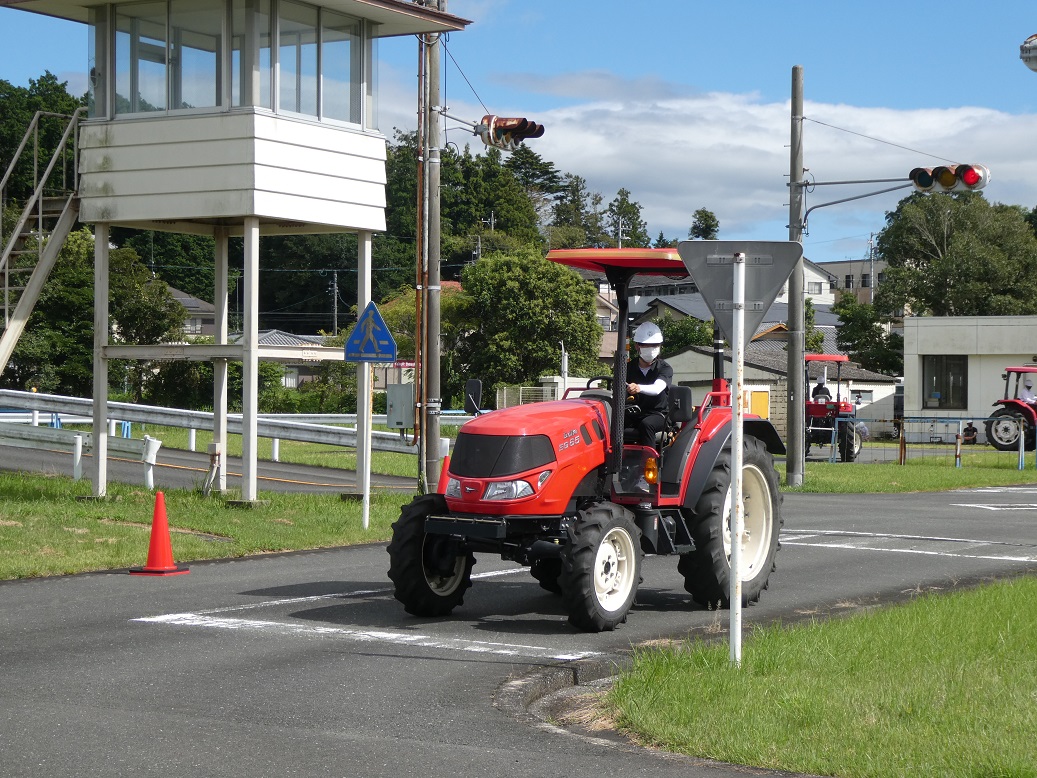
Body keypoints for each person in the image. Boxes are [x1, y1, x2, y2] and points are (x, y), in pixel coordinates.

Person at [625, 322, 673, 447]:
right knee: (612, 423)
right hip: (633, 412)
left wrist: (638, 388)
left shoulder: (665, 368)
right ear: (637, 346)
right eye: (646, 345)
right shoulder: (627, 368)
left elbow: (657, 388)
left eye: (655, 345)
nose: (651, 349)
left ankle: (649, 463)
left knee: (647, 425)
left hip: (658, 414)